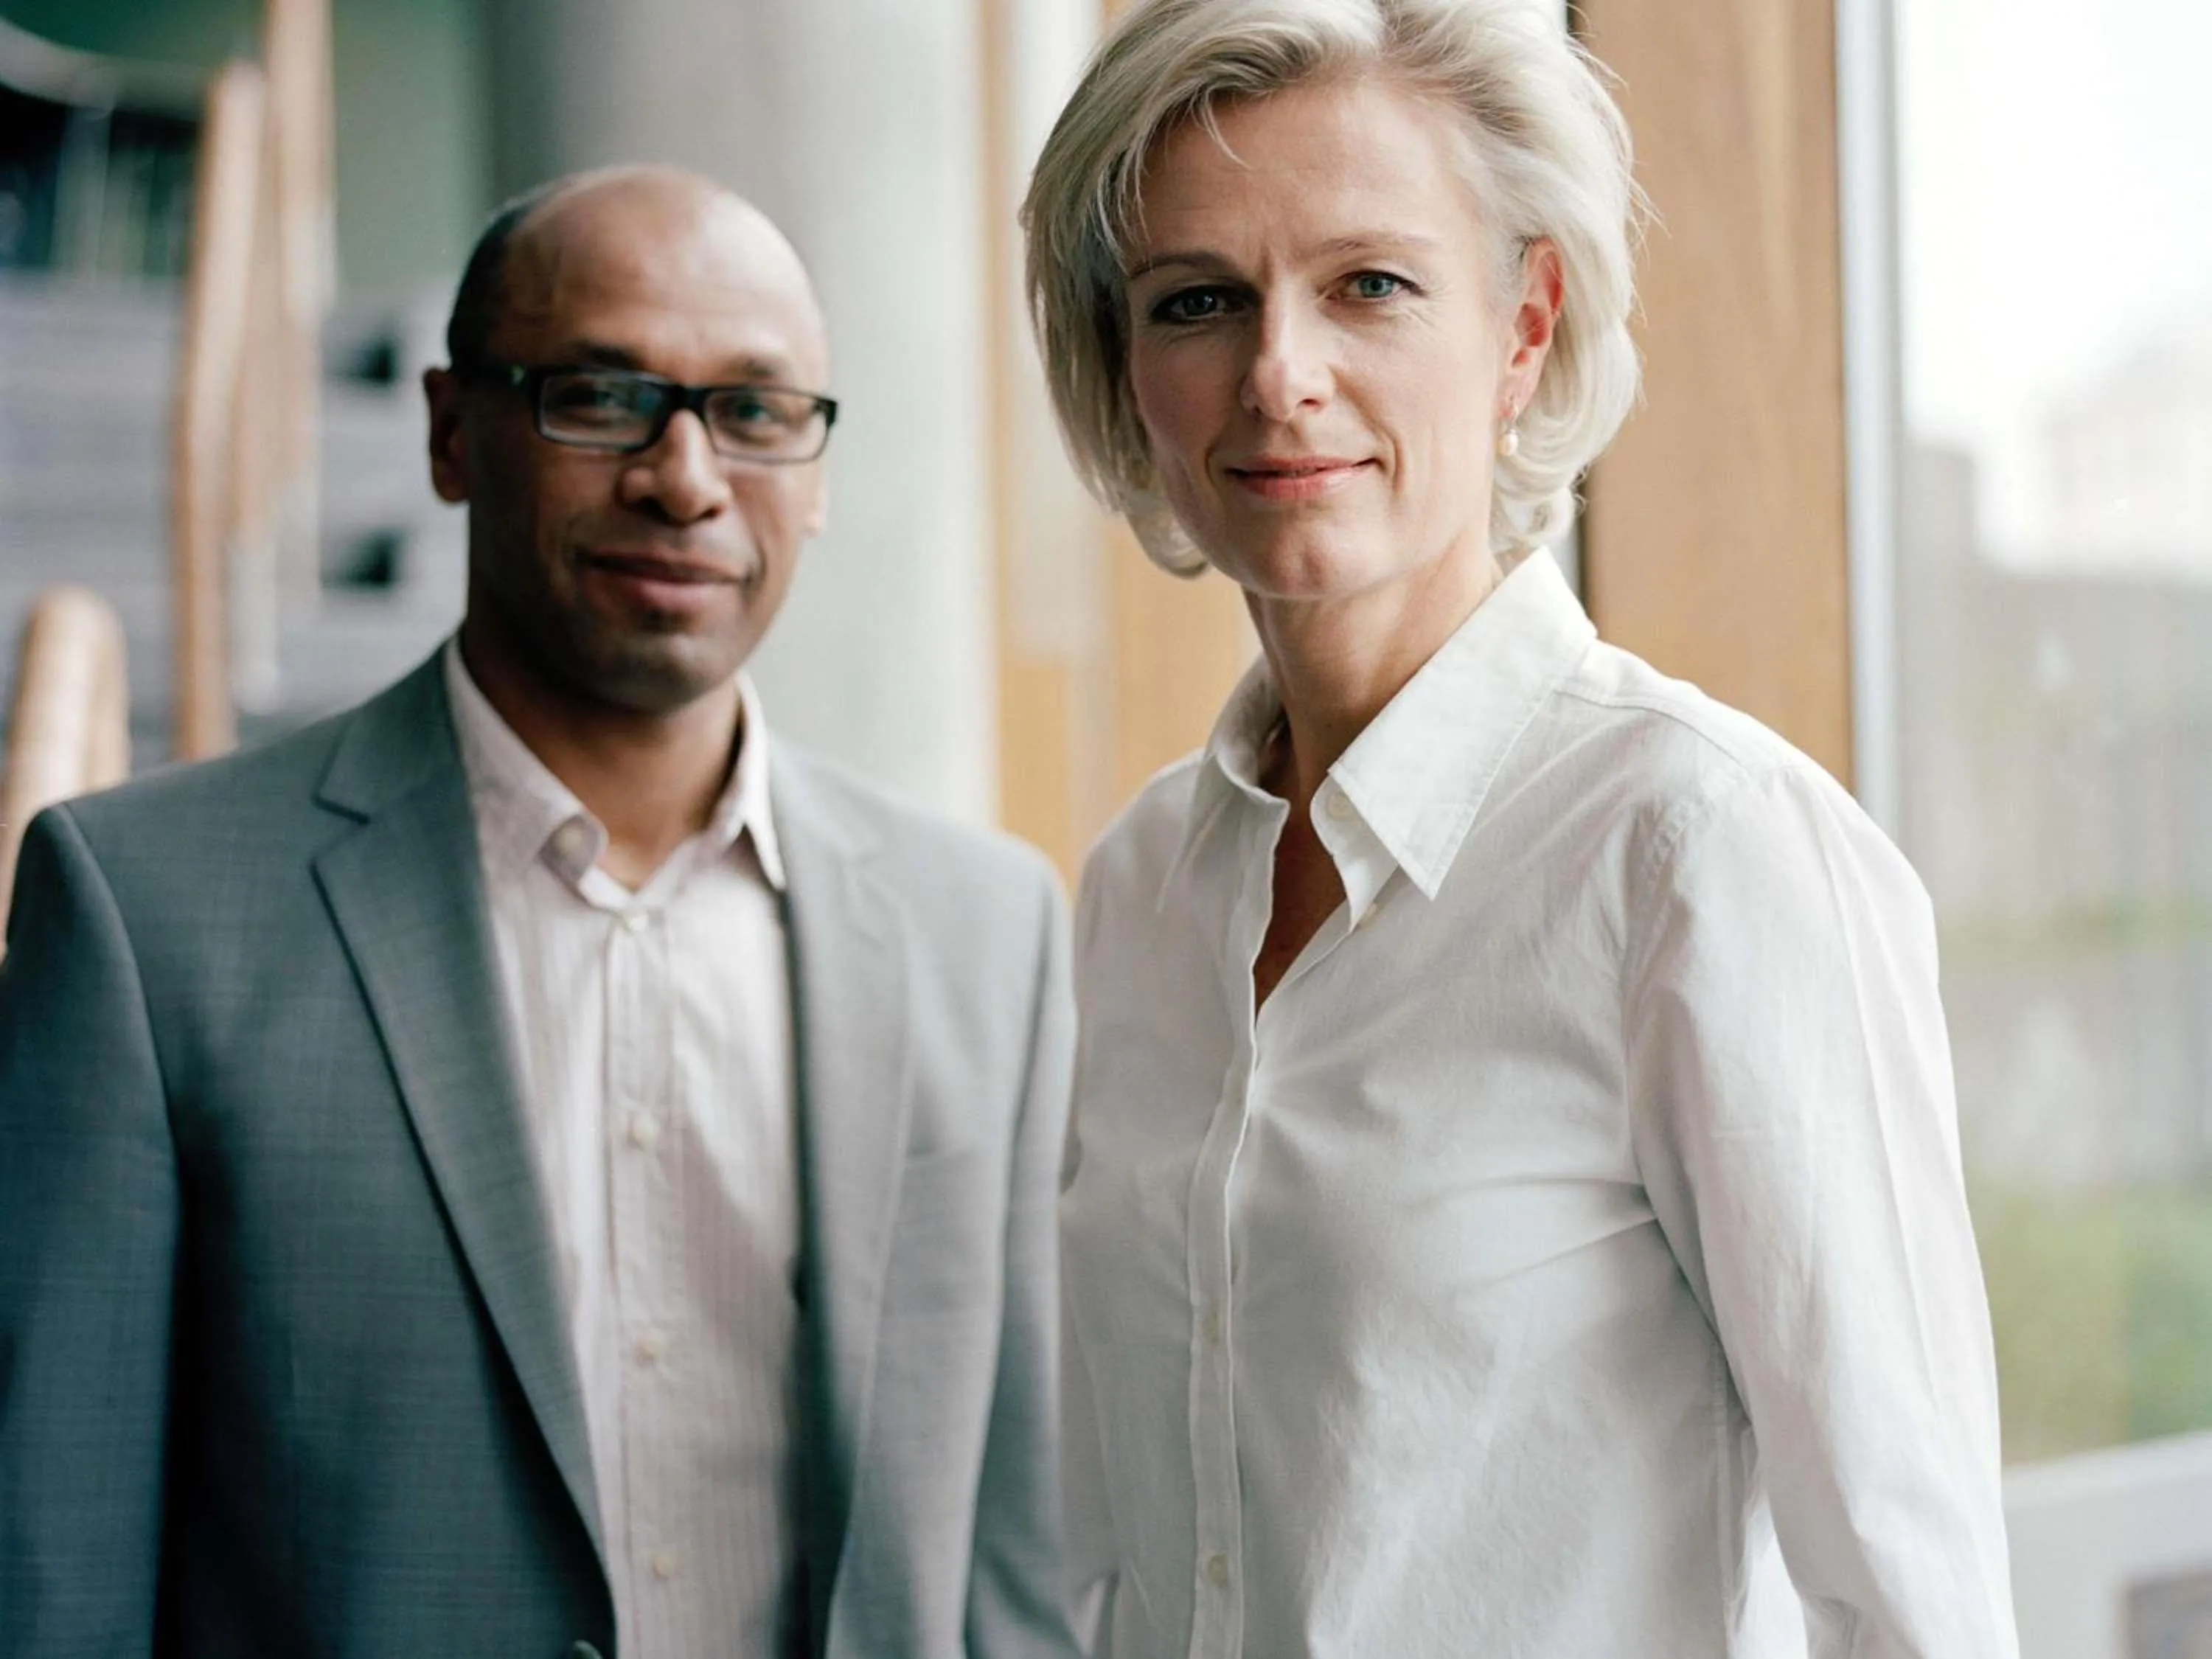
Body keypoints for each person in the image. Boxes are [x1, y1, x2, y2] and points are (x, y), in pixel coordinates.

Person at [1022, 3, 2019, 1655]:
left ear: (1524, 331)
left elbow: (1911, 1593)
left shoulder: (1699, 848)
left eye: (1371, 284)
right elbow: (1124, 1553)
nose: (1280, 373)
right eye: (1197, 300)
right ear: (1129, 374)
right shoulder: (1139, 883)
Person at [0, 166, 1078, 1659]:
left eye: (755, 412)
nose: (686, 477)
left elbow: (1012, 1575)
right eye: (601, 395)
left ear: (820, 472)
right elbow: (55, 1574)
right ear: (453, 432)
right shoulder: (143, 913)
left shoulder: (990, 932)